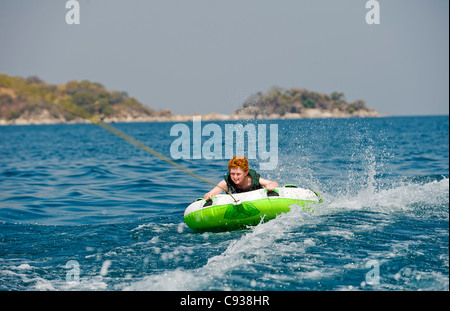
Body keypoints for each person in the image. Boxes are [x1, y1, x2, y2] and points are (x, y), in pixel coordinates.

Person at [204, 156, 279, 200]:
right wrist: (208, 195)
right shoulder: (226, 183)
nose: (235, 177)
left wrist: (271, 186)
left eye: (238, 174)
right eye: (232, 174)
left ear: (246, 172)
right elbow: (209, 193)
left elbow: (273, 183)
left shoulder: (253, 179)